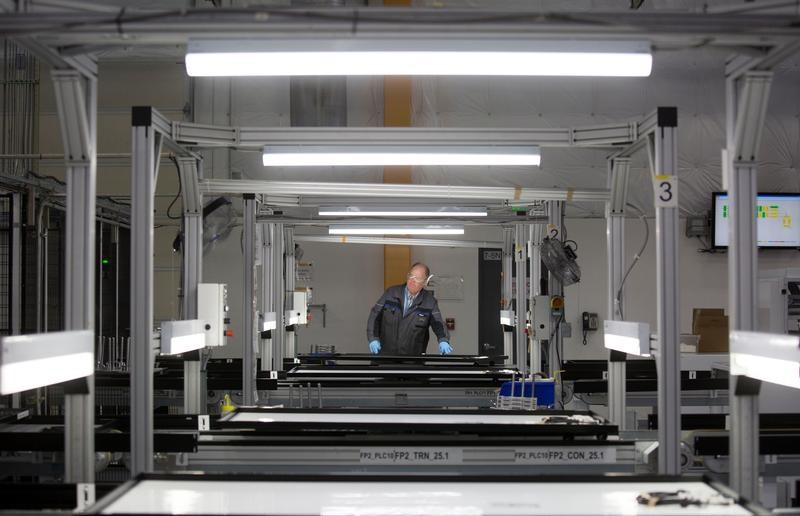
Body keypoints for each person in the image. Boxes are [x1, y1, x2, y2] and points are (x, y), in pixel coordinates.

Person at [367, 262, 453, 355]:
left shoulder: (430, 302)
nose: (412, 280)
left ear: (425, 282)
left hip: (412, 360)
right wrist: (373, 338)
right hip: (385, 357)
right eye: (411, 276)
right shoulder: (391, 293)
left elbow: (438, 323)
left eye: (417, 278)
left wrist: (443, 340)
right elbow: (374, 315)